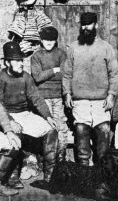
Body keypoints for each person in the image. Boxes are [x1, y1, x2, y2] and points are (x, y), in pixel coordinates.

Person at [62, 12, 118, 166]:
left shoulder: (106, 48)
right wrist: (67, 94)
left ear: (96, 25)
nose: (85, 27)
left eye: (89, 24)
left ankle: (101, 171)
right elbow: (66, 74)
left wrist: (111, 95)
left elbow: (114, 74)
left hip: (101, 101)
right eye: (83, 24)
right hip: (80, 100)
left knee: (103, 131)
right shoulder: (73, 47)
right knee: (81, 131)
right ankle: (83, 171)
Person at [0, 41, 58, 187]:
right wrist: (11, 121)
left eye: (21, 60)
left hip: (24, 114)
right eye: (17, 61)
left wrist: (48, 116)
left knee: (51, 130)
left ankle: (50, 177)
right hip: (7, 116)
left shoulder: (26, 77)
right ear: (7, 63)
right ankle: (12, 178)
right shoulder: (1, 78)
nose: (21, 63)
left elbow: (36, 98)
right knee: (15, 134)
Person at [31, 26, 68, 162]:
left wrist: (47, 74)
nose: (49, 42)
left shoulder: (61, 54)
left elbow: (65, 75)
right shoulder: (36, 56)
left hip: (58, 97)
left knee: (60, 126)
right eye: (46, 39)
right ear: (41, 40)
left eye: (52, 40)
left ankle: (61, 157)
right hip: (42, 97)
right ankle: (46, 159)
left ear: (55, 41)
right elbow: (37, 77)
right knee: (46, 127)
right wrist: (54, 70)